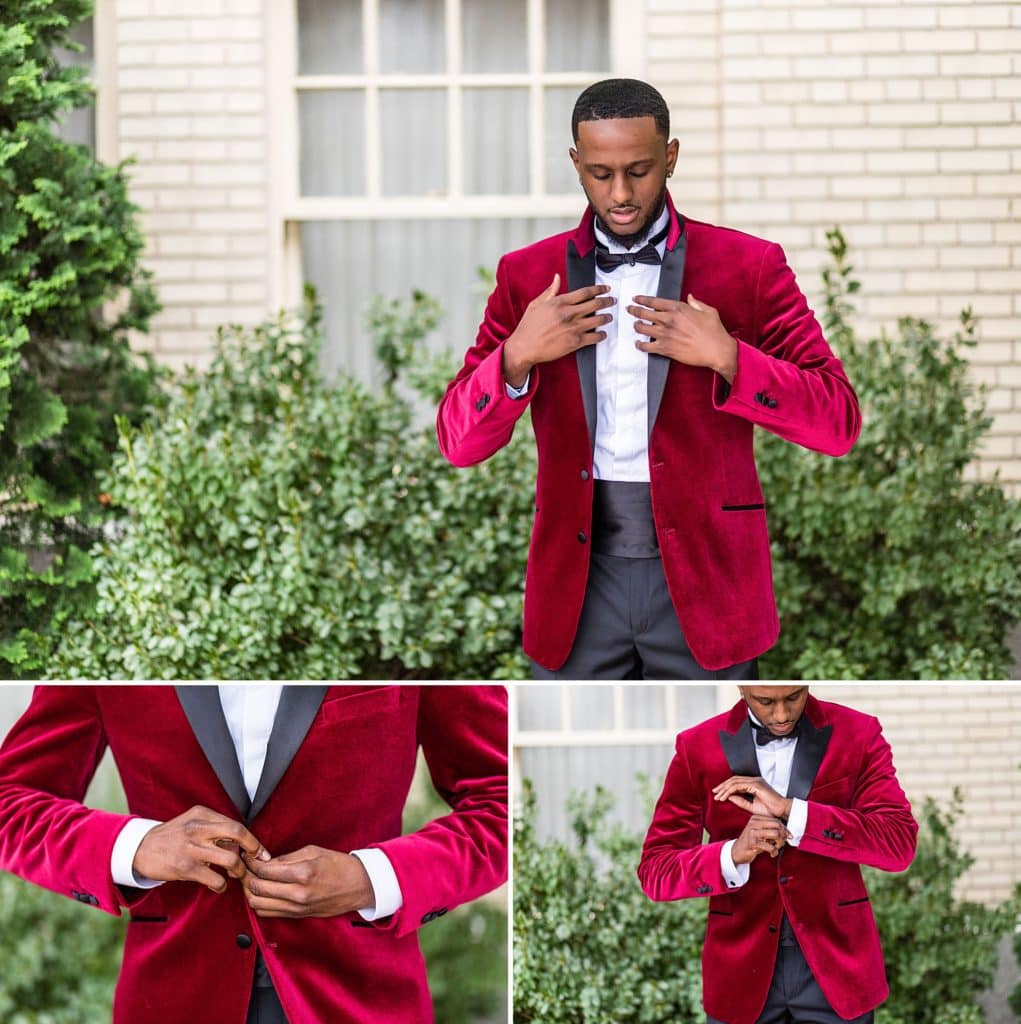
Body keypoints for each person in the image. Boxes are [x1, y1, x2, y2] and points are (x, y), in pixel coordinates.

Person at [437, 79, 861, 679]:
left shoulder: (750, 267)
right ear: (575, 163)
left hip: (708, 588)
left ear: (670, 157)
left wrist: (730, 358)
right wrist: (516, 357)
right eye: (600, 173)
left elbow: (838, 422)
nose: (620, 194)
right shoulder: (527, 274)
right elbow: (457, 442)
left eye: (638, 170)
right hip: (577, 591)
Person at [0, 685, 507, 1023]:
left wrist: (372, 878)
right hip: (173, 998)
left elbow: (501, 805)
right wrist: (134, 846)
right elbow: (10, 802)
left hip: (360, 1000)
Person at [638, 685, 918, 1024]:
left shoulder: (857, 733)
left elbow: (898, 844)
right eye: (765, 702)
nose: (782, 715)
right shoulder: (697, 747)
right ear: (743, 689)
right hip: (740, 975)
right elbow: (656, 872)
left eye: (794, 697)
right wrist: (732, 854)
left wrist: (794, 812)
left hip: (838, 969)